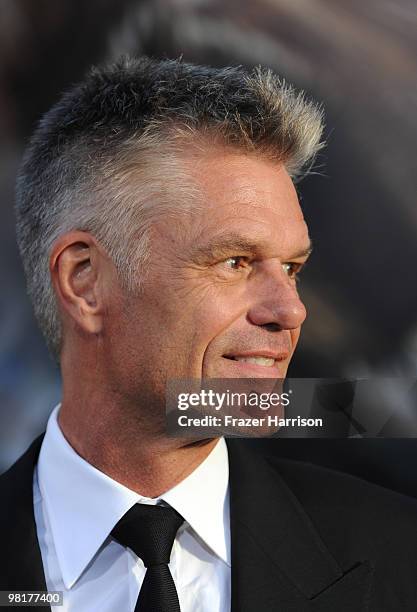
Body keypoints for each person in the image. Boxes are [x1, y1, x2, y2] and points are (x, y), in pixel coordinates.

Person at [1, 56, 417, 612]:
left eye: (292, 268)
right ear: (85, 281)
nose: (289, 311)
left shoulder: (399, 556)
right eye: (235, 262)